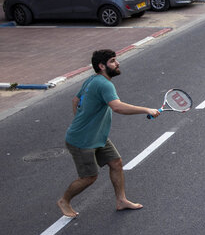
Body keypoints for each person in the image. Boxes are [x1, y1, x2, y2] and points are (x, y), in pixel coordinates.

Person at [57, 50, 160, 218]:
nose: (117, 63)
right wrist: (146, 109)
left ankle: (121, 201)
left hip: (97, 135)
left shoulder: (92, 79)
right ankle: (64, 200)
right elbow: (117, 107)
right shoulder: (104, 84)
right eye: (113, 61)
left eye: (116, 60)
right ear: (101, 66)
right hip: (82, 140)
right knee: (89, 177)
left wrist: (83, 120)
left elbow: (75, 101)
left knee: (116, 163)